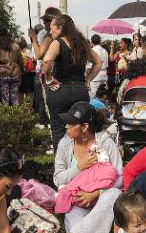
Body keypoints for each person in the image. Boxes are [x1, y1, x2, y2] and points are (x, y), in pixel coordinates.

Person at [50, 101, 123, 233]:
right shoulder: (65, 143)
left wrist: (96, 193)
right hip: (77, 202)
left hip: (101, 200)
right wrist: (79, 167)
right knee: (85, 231)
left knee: (114, 194)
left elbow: (120, 177)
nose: (65, 126)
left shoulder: (104, 142)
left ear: (85, 127)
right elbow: (58, 178)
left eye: (70, 124)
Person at [41, 14, 102, 149]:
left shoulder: (57, 43)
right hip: (80, 91)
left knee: (59, 131)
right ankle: (80, 163)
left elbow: (46, 61)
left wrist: (49, 78)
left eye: (52, 28)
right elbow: (98, 62)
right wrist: (88, 80)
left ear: (60, 28)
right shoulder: (82, 44)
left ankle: (61, 166)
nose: (51, 32)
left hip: (60, 90)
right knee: (80, 130)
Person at [28, 7, 62, 127]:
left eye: (47, 21)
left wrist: (33, 37)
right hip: (62, 74)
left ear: (53, 21)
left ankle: (49, 125)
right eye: (44, 21)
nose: (45, 24)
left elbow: (39, 55)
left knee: (48, 102)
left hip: (49, 75)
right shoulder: (66, 35)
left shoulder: (50, 35)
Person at [0, 28, 24, 106]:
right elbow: (20, 62)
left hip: (3, 73)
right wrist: (22, 71)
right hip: (15, 73)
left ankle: (7, 116)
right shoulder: (16, 46)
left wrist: (0, 66)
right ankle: (18, 116)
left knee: (5, 99)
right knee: (15, 98)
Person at [89, 34, 109, 99]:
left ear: (91, 42)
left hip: (95, 77)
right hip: (104, 77)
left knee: (93, 99)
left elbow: (89, 67)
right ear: (100, 42)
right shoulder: (105, 51)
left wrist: (88, 79)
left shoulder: (92, 51)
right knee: (103, 98)